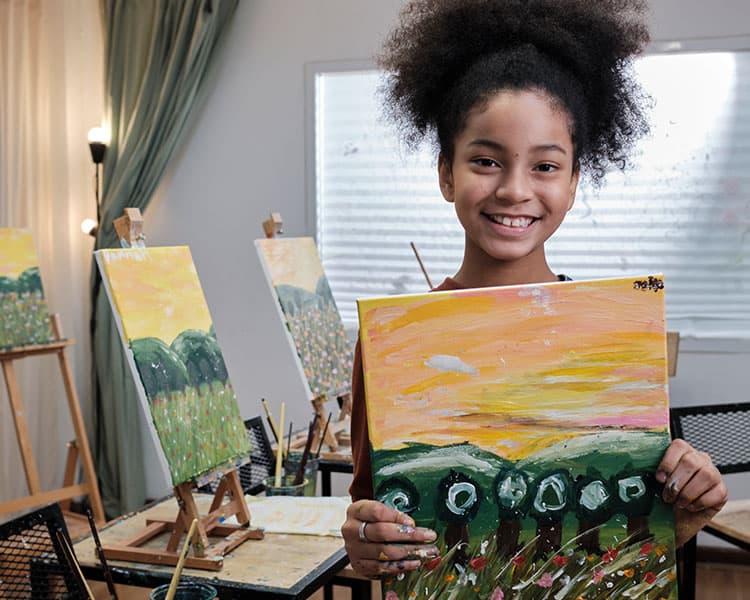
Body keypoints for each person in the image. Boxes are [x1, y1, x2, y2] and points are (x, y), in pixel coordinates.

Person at [341, 0, 728, 580]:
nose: (514, 189)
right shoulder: (393, 343)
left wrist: (688, 508)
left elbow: (628, 528)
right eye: (485, 161)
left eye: (545, 166)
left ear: (574, 182)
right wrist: (365, 541)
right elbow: (377, 509)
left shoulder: (614, 335)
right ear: (446, 172)